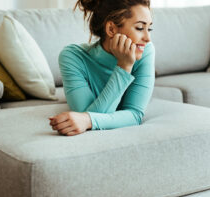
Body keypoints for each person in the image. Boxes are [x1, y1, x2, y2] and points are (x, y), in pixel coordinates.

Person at [49, 0, 154, 136]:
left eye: (149, 28)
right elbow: (83, 115)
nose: (148, 38)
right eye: (140, 28)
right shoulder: (72, 57)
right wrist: (123, 66)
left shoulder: (146, 51)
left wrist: (88, 120)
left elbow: (134, 115)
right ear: (111, 29)